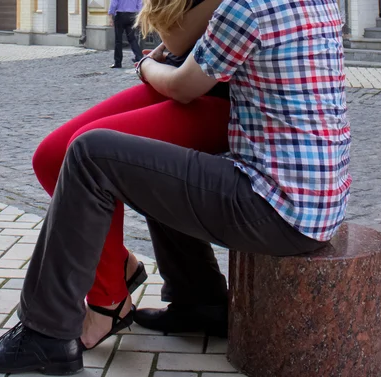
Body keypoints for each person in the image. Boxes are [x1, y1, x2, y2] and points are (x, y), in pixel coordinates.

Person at [0, 0, 350, 372]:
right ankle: (198, 299)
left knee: (90, 153)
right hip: (307, 203)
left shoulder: (246, 8)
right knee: (147, 165)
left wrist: (145, 66)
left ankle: (46, 333)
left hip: (271, 206)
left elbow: (182, 83)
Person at [29, 0, 230, 351]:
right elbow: (176, 36)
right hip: (177, 83)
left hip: (223, 101)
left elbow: (177, 35)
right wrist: (156, 60)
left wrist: (149, 64)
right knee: (51, 156)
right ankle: (120, 266)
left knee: (88, 151)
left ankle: (108, 302)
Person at [108, 0, 143, 68]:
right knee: (132, 38)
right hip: (132, 16)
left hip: (120, 15)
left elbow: (113, 4)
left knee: (118, 40)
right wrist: (140, 18)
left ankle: (118, 63)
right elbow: (140, 5)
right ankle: (139, 58)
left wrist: (110, 16)